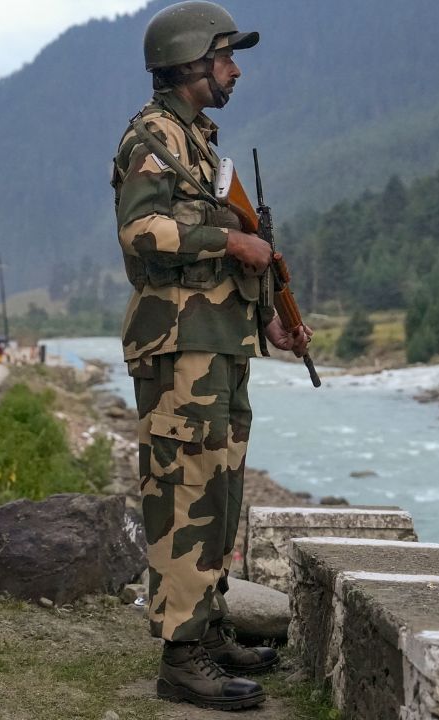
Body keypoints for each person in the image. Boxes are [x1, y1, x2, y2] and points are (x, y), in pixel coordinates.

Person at [110, 1, 311, 711]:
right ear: (191, 61)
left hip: (220, 344)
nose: (234, 69)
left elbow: (228, 252)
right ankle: (182, 656)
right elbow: (142, 233)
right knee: (185, 494)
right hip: (180, 349)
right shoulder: (153, 137)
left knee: (218, 495)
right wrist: (231, 242)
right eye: (225, 55)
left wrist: (270, 319)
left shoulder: (199, 139)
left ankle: (209, 625)